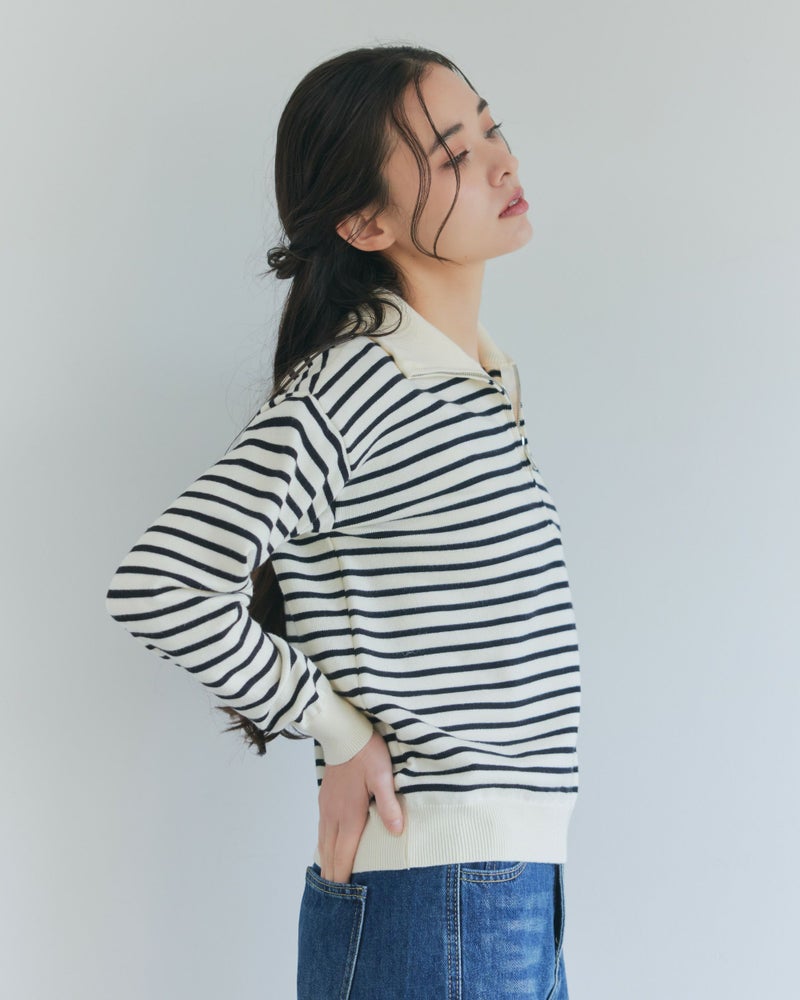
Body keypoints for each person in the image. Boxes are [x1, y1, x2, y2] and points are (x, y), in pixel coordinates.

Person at [105, 43, 580, 1000]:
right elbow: (161, 585)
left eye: (491, 127)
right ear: (365, 222)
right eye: (454, 153)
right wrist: (337, 729)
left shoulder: (481, 375)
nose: (502, 161)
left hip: (505, 888)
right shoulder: (360, 381)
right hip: (437, 897)